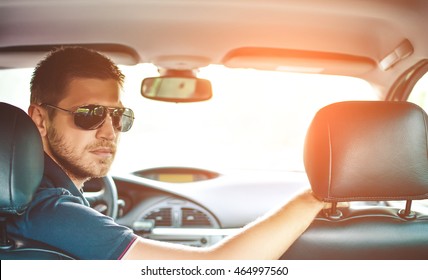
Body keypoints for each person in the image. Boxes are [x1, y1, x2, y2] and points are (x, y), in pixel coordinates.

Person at [9, 46, 327, 260]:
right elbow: (217, 271)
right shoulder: (49, 212)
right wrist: (315, 196)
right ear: (40, 119)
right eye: (89, 114)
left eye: (119, 116)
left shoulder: (30, 203)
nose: (109, 132)